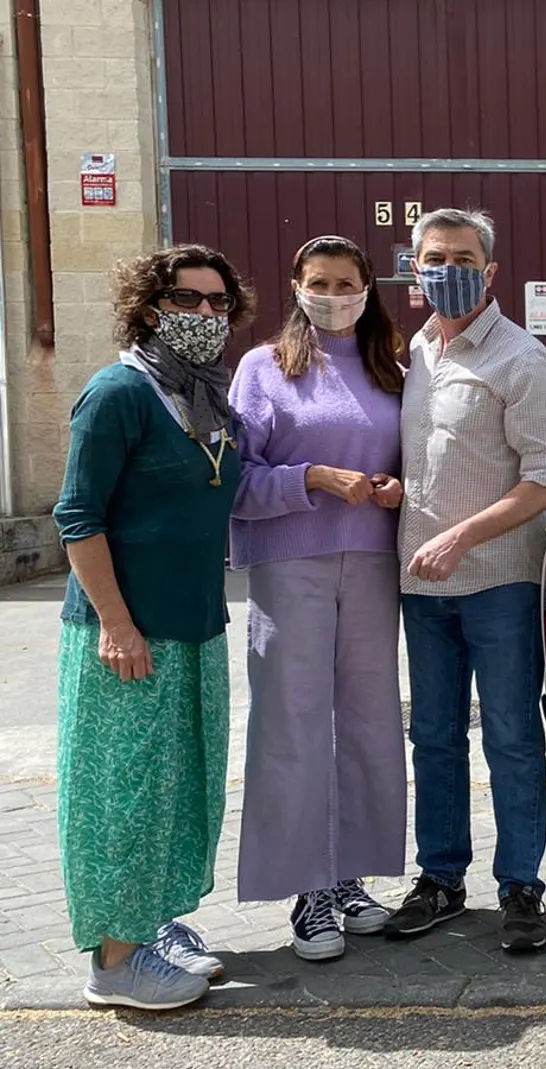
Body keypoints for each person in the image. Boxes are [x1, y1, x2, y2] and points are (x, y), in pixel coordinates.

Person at [52, 244, 252, 1009]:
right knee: (124, 795)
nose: (205, 315)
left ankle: (150, 930)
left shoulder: (205, 395)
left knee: (175, 792)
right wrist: (115, 624)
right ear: (148, 308)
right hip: (128, 634)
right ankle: (113, 964)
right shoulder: (118, 393)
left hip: (194, 627)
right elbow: (78, 515)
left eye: (216, 303)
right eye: (187, 299)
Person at [385, 208, 546, 954]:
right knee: (431, 736)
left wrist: (462, 534)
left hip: (497, 581)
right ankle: (441, 879)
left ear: (491, 271)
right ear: (416, 267)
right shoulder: (413, 355)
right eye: (434, 256)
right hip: (422, 589)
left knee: (512, 738)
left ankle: (521, 886)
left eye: (462, 256)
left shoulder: (522, 359)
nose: (447, 268)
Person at [228, 235, 409, 962]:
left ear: (368, 288)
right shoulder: (262, 368)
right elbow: (236, 482)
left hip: (372, 563)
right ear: (296, 286)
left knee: (368, 723)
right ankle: (307, 889)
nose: (333, 293)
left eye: (346, 281)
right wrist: (311, 479)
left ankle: (349, 875)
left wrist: (399, 492)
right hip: (290, 561)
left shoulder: (391, 370)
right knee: (293, 724)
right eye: (319, 281)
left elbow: (416, 463)